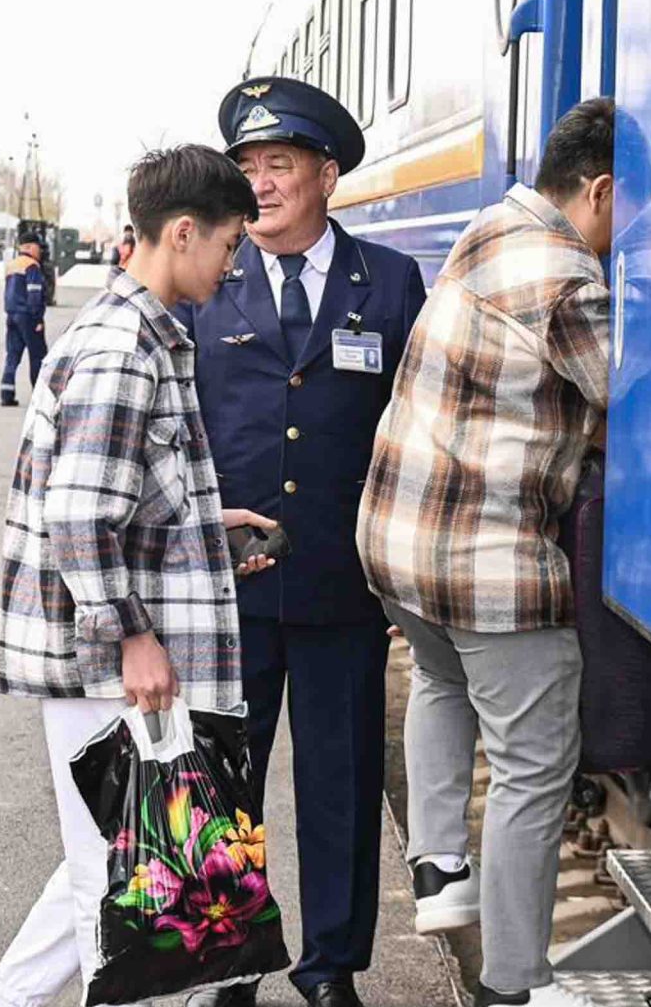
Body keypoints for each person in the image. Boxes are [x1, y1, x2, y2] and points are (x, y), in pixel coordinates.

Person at [0, 144, 276, 1007]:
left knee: (106, 860)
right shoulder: (123, 350)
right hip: (105, 662)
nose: (232, 266)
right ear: (182, 233)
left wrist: (204, 525)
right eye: (228, 246)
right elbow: (77, 516)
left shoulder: (141, 334)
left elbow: (111, 499)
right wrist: (135, 638)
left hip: (106, 655)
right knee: (111, 885)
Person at [357, 98, 631, 1007]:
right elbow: (641, 397)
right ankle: (520, 983)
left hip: (396, 548)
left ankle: (438, 869)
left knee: (439, 680)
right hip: (486, 567)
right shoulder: (568, 277)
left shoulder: (489, 226)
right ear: (597, 189)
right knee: (531, 770)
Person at [177, 76, 427, 1007]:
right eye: (248, 169)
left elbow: (418, 430)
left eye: (280, 165)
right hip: (226, 587)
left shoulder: (392, 283)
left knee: (342, 786)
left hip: (342, 584)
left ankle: (330, 969)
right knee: (225, 783)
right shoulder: (210, 279)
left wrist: (404, 574)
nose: (262, 185)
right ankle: (228, 963)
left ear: (328, 174)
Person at [0, 230, 49, 406]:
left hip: (11, 315)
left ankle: (6, 393)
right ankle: (39, 396)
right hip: (28, 316)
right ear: (29, 247)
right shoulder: (32, 266)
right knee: (38, 356)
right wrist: (37, 319)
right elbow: (34, 293)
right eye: (38, 247)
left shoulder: (12, 265)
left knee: (12, 355)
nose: (40, 251)